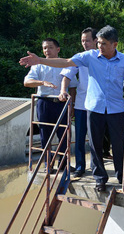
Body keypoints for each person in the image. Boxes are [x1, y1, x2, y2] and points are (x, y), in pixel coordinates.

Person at [20, 25, 124, 192]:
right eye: (98, 43)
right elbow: (66, 62)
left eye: (104, 44)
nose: (99, 47)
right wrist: (40, 60)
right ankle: (100, 179)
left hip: (117, 109)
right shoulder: (90, 56)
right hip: (94, 108)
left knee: (120, 145)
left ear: (114, 45)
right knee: (95, 146)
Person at [24, 38, 78, 171]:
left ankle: (63, 164)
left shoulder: (66, 64)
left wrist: (73, 106)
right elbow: (27, 82)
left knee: (64, 134)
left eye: (50, 47)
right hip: (45, 103)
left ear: (58, 49)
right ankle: (48, 164)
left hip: (62, 103)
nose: (47, 50)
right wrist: (42, 82)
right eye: (44, 48)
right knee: (45, 135)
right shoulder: (38, 65)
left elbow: (73, 87)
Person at [59, 27, 98, 178]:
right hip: (82, 104)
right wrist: (63, 90)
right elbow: (67, 75)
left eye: (87, 40)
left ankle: (96, 168)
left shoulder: (103, 56)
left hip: (99, 105)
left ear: (96, 40)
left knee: (97, 139)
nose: (85, 43)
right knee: (80, 138)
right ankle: (80, 167)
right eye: (82, 41)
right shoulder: (79, 57)